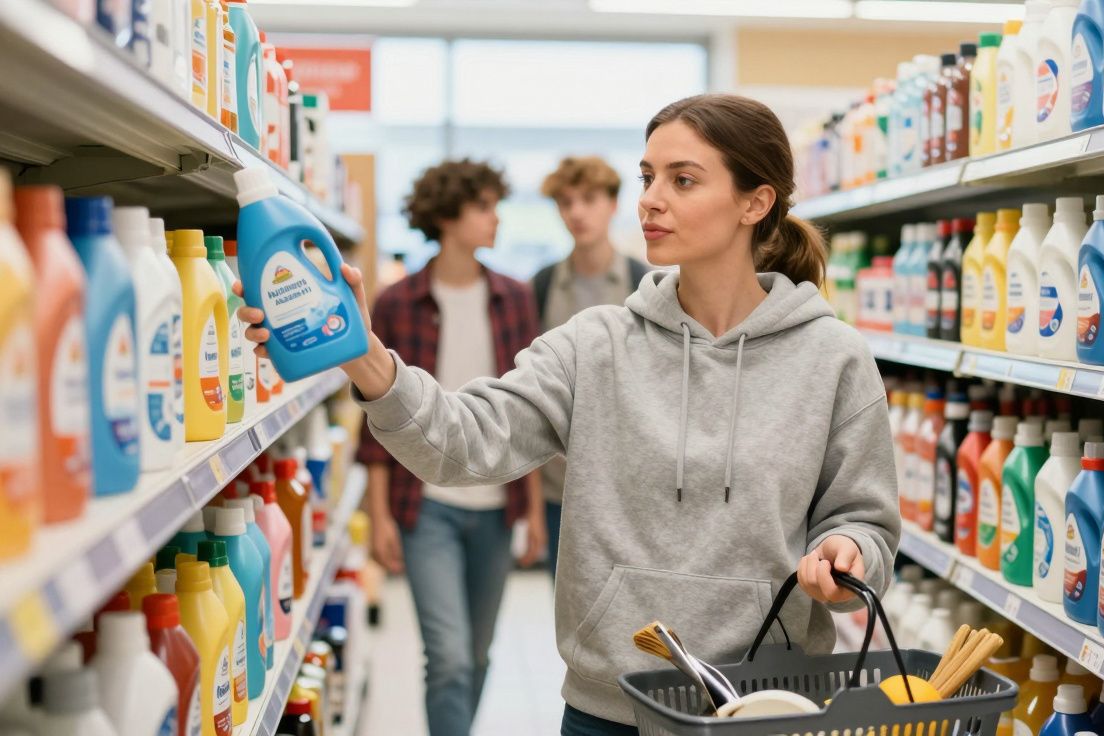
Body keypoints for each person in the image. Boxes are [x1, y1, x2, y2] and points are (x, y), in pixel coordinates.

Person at [239, 94, 900, 736]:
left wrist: (849, 555)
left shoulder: (832, 358)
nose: (650, 198)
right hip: (610, 705)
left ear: (755, 203)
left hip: (769, 707)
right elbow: (464, 442)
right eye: (647, 177)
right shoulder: (596, 343)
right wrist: (363, 355)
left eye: (683, 179)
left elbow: (864, 520)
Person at [352, 158, 547, 736]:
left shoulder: (513, 298)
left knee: (479, 654)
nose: (495, 220)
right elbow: (380, 416)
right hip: (424, 506)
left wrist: (533, 510)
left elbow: (528, 414)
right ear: (447, 215)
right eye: (484, 207)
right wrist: (379, 512)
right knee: (451, 656)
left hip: (495, 506)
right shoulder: (396, 301)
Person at [533, 155, 649, 575]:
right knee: (568, 608)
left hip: (632, 485)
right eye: (566, 202)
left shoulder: (646, 283)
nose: (577, 212)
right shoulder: (541, 286)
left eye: (589, 199)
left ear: (614, 203)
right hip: (559, 484)